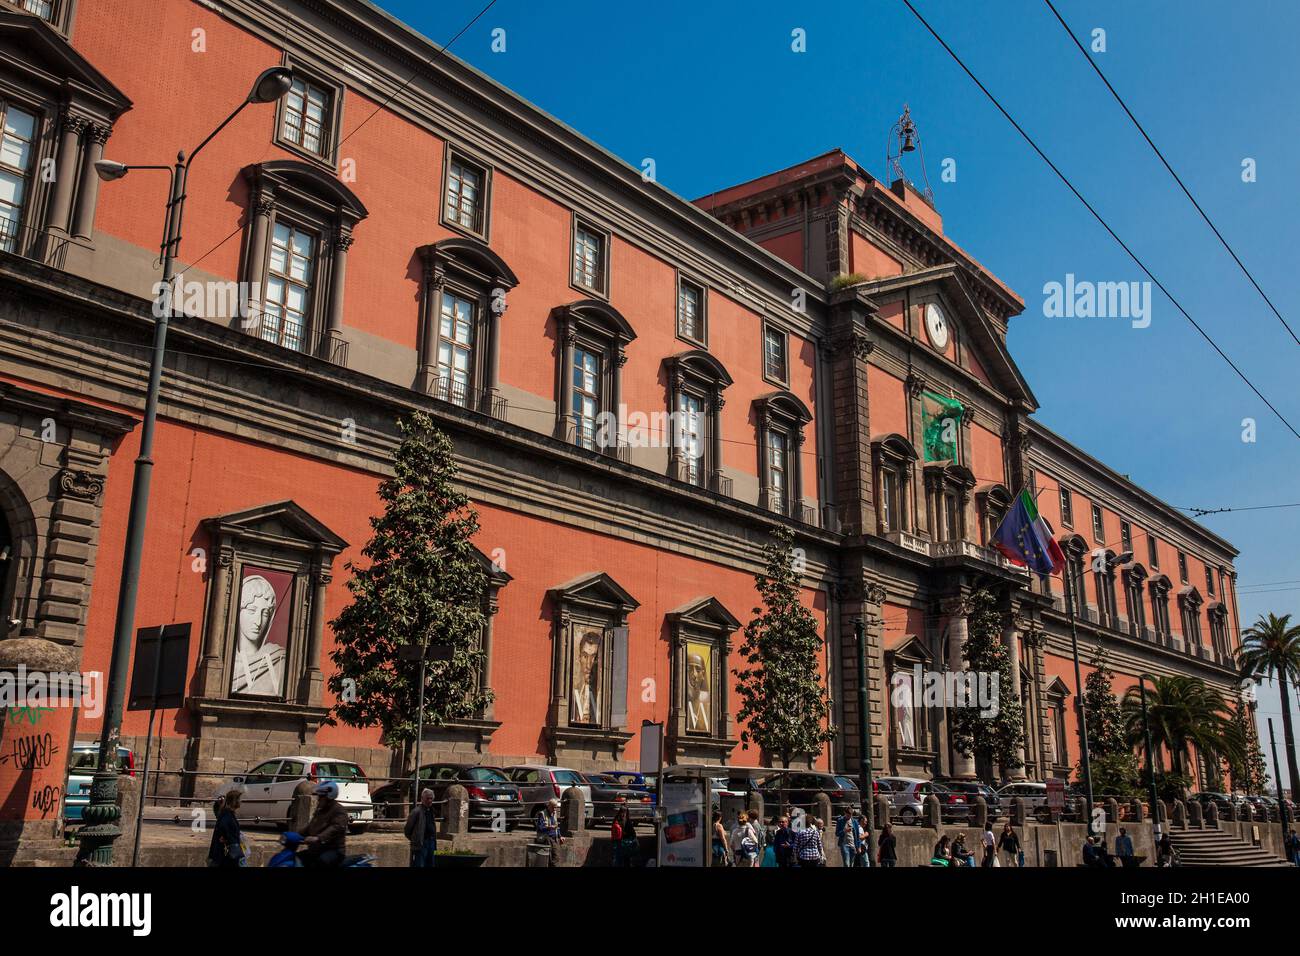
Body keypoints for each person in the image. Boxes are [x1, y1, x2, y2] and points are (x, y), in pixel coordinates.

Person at [301, 780, 348, 868]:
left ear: (329, 797)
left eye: (321, 797)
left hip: (334, 850)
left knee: (319, 863)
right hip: (318, 849)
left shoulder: (339, 810)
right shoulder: (320, 810)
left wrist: (318, 838)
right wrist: (296, 834)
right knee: (298, 858)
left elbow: (336, 827)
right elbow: (311, 826)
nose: (319, 799)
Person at [207, 789, 245, 868]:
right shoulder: (227, 815)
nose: (241, 802)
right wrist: (227, 838)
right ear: (235, 801)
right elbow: (224, 827)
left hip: (225, 853)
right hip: (227, 854)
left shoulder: (226, 813)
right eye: (239, 799)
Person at [404, 788, 437, 868]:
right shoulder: (416, 812)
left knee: (431, 863)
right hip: (421, 844)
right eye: (427, 798)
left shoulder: (431, 810)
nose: (429, 801)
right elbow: (407, 829)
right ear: (422, 799)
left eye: (431, 798)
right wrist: (415, 839)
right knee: (419, 864)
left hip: (431, 842)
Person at [536, 798, 564, 867]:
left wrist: (560, 836)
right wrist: (549, 827)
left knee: (555, 857)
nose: (554, 810)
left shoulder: (554, 813)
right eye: (553, 808)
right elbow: (539, 828)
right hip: (546, 837)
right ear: (549, 806)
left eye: (556, 808)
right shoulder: (542, 814)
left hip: (554, 838)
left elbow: (556, 826)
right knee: (554, 858)